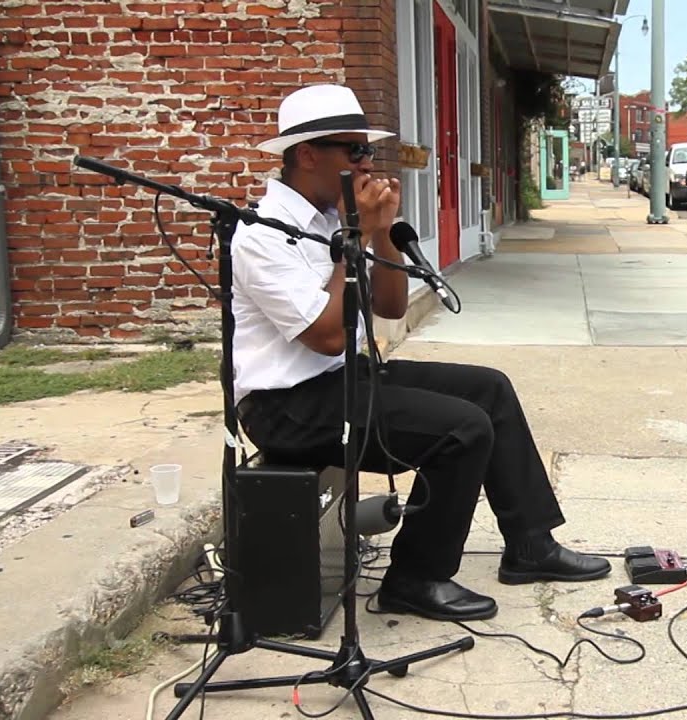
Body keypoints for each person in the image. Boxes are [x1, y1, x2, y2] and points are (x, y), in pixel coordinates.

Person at [230, 84, 610, 622]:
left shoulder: (334, 219)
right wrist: (357, 235)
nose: (366, 162)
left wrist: (379, 233)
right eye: (354, 150)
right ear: (308, 154)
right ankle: (416, 578)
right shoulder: (261, 234)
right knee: (463, 428)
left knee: (489, 388)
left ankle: (529, 543)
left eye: (368, 151)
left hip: (343, 379)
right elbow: (327, 336)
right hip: (287, 406)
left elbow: (387, 306)